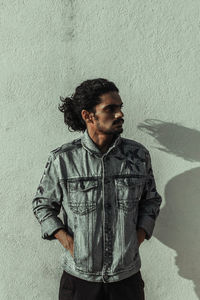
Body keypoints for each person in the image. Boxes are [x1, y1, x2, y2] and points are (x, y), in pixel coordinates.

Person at [32, 78, 162, 300]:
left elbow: (151, 201)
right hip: (79, 280)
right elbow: (42, 204)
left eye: (120, 107)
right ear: (88, 115)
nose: (120, 114)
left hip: (126, 280)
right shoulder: (63, 160)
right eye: (110, 109)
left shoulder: (138, 156)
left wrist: (136, 239)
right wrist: (70, 243)